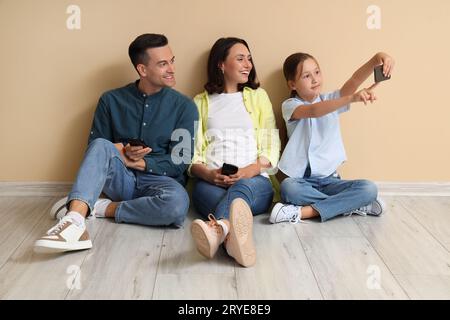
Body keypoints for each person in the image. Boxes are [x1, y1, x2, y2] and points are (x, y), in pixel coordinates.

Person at [34, 34, 198, 253]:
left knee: (177, 206)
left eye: (172, 60)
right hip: (120, 180)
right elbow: (96, 150)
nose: (172, 68)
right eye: (163, 63)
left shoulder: (185, 107)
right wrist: (123, 151)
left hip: (162, 184)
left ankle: (96, 208)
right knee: (102, 145)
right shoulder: (110, 101)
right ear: (142, 69)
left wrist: (136, 162)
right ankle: (73, 222)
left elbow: (179, 163)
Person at [270, 52, 395, 224]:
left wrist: (377, 58)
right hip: (301, 181)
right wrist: (350, 98)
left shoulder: (333, 100)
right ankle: (351, 205)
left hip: (331, 180)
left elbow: (355, 80)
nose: (315, 79)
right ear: (292, 84)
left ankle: (302, 212)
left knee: (369, 189)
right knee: (288, 189)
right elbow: (314, 111)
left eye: (317, 72)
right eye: (306, 76)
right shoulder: (290, 106)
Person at [189, 37, 280, 267]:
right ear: (221, 64)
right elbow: (189, 155)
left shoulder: (259, 97)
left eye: (249, 59)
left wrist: (248, 171)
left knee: (241, 191)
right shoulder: (199, 102)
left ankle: (217, 230)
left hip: (254, 183)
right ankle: (232, 237)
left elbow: (271, 145)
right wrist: (210, 175)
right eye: (240, 59)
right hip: (209, 185)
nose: (248, 64)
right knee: (230, 203)